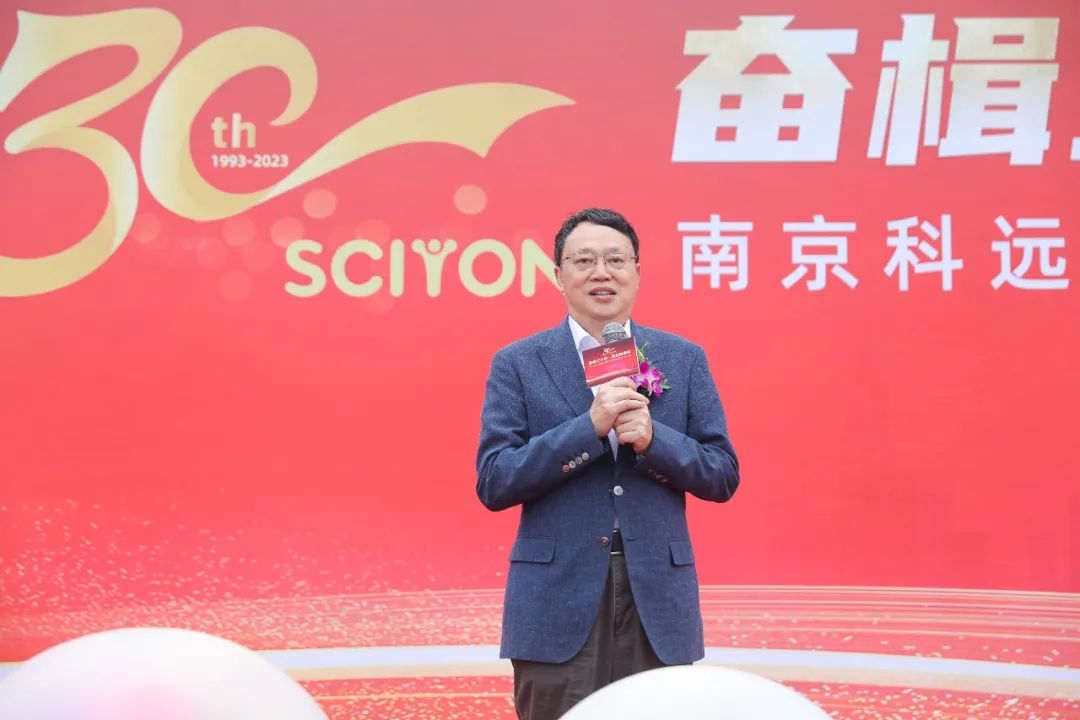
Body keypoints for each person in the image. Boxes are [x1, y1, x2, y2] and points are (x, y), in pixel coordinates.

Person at [476, 208, 740, 720]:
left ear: (637, 273)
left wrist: (655, 441)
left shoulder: (683, 358)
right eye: (585, 261)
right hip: (557, 600)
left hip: (656, 601)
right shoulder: (518, 362)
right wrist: (588, 428)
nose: (602, 272)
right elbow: (495, 479)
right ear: (559, 275)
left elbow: (722, 473)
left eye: (616, 260)